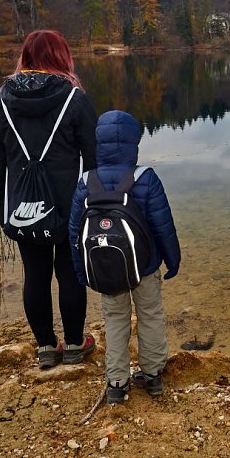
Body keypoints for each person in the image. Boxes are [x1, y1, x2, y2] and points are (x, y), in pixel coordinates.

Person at [0, 30, 99, 370]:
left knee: (35, 274)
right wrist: (94, 203)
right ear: (62, 57)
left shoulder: (0, 101)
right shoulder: (74, 99)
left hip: (23, 205)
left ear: (26, 57)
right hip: (69, 205)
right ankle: (76, 345)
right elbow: (94, 158)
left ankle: (46, 348)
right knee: (70, 274)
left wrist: (1, 208)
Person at [68, 109, 181, 404]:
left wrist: (81, 271)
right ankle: (153, 376)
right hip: (145, 267)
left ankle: (117, 383)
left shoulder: (86, 182)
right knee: (150, 315)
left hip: (107, 270)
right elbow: (163, 225)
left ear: (98, 143)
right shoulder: (146, 178)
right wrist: (173, 260)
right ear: (135, 143)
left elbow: (74, 233)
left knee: (115, 319)